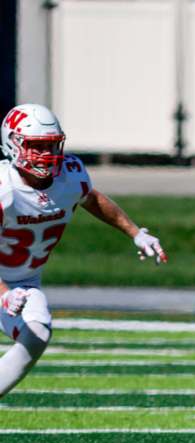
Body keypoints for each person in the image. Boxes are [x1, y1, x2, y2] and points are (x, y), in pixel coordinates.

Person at [0, 103, 167, 401]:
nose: (46, 155)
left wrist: (135, 233)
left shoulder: (69, 175)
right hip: (5, 286)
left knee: (37, 334)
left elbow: (91, 198)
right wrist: (3, 293)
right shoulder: (5, 189)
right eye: (36, 147)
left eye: (51, 146)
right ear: (13, 144)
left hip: (22, 284)